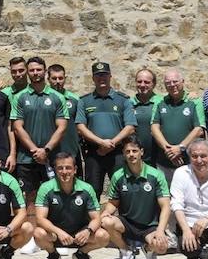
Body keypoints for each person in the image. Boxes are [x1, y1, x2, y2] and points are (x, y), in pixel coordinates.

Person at [100, 137, 173, 259]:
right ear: (123, 154)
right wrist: (106, 212)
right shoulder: (118, 175)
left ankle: (149, 250)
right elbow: (113, 202)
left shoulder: (156, 175)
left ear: (141, 152)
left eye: (134, 151)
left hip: (149, 226)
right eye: (127, 151)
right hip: (126, 223)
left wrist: (161, 231)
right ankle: (125, 251)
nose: (131, 154)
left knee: (162, 246)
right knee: (106, 222)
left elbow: (166, 206)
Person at [30, 151, 107, 259]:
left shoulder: (87, 188)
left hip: (80, 233)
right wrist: (59, 232)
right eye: (60, 168)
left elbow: (96, 218)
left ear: (75, 169)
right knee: (38, 233)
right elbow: (40, 219)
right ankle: (53, 254)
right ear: (55, 170)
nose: (64, 171)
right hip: (55, 233)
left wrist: (88, 231)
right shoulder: (45, 188)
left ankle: (82, 254)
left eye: (68, 168)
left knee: (103, 236)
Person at [10, 56, 67, 218]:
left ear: (44, 71)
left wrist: (46, 150)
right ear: (28, 72)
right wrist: (35, 150)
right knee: (30, 197)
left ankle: (55, 235)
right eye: (32, 70)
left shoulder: (57, 97)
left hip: (53, 157)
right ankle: (32, 238)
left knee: (56, 195)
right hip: (26, 158)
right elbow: (17, 127)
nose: (35, 73)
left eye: (38, 69)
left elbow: (62, 127)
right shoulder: (20, 97)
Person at [76, 61, 136, 195]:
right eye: (98, 76)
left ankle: (122, 217)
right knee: (92, 191)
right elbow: (80, 127)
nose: (101, 78)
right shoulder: (84, 101)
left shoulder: (123, 100)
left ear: (110, 76)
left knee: (122, 190)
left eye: (104, 75)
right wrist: (101, 143)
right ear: (93, 78)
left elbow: (130, 127)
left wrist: (111, 143)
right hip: (94, 153)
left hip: (118, 153)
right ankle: (93, 217)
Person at [150, 68, 205, 182]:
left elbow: (199, 130)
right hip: (163, 161)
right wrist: (169, 150)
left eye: (175, 81)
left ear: (182, 81)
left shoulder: (195, 101)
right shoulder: (160, 102)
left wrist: (180, 148)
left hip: (189, 161)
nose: (172, 85)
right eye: (168, 83)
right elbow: (154, 127)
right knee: (165, 196)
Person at [48, 65, 83, 169]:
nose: (57, 81)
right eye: (54, 78)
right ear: (48, 79)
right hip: (50, 151)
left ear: (65, 79)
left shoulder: (75, 100)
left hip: (71, 150)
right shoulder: (44, 98)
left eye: (60, 78)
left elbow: (80, 125)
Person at [131, 68, 159, 164]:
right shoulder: (128, 103)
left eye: (147, 82)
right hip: (134, 158)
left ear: (153, 84)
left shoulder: (162, 102)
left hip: (158, 158)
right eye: (139, 81)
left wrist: (191, 94)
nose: (142, 85)